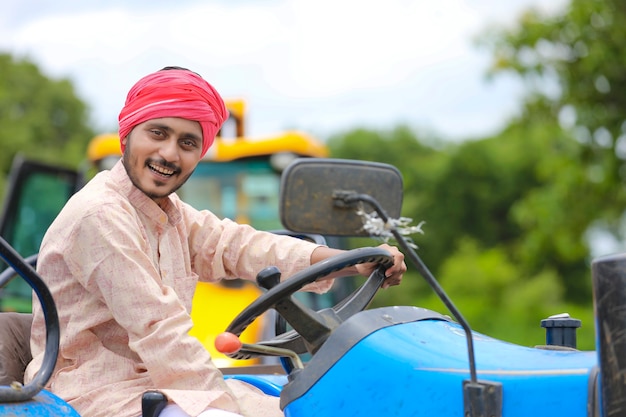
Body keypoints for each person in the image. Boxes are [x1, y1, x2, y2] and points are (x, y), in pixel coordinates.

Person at [24, 66, 406, 417]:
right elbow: (158, 328)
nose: (169, 154)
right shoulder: (100, 215)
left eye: (188, 143)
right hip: (97, 395)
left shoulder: (166, 211)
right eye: (158, 133)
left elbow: (236, 244)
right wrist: (225, 405)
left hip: (159, 384)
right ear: (129, 133)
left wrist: (347, 259)